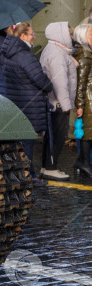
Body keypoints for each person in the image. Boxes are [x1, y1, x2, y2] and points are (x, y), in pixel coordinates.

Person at [1, 22, 53, 186]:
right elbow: (40, 80)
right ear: (23, 36)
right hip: (30, 105)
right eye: (31, 34)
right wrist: (49, 85)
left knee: (21, 142)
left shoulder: (7, 54)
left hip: (16, 102)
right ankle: (27, 176)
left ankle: (23, 173)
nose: (34, 37)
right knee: (28, 141)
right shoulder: (26, 56)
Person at [39, 22, 76, 180]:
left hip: (54, 102)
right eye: (70, 34)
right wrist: (66, 104)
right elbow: (60, 81)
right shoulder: (57, 53)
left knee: (51, 136)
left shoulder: (56, 50)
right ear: (61, 35)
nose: (72, 37)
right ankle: (50, 167)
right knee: (57, 136)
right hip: (58, 104)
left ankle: (47, 166)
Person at [74, 24, 92, 177]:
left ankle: (82, 161)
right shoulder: (85, 54)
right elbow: (81, 82)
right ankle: (84, 163)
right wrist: (80, 104)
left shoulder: (87, 52)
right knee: (87, 133)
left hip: (88, 98)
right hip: (88, 99)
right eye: (91, 33)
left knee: (87, 132)